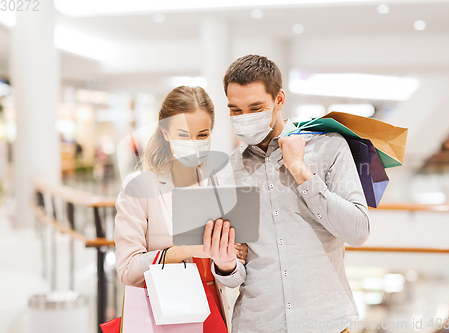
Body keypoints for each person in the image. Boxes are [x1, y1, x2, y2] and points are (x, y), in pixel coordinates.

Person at [202, 55, 371, 333]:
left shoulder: (328, 148)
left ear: (279, 100)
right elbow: (233, 278)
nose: (245, 118)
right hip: (258, 324)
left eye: (255, 107)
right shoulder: (224, 174)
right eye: (235, 110)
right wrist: (224, 263)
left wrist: (301, 172)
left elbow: (358, 231)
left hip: (325, 322)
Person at [114, 86, 247, 332]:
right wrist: (183, 250)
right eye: (184, 135)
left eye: (202, 135)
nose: (194, 144)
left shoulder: (219, 184)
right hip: (164, 316)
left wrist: (226, 260)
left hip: (212, 314)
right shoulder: (140, 187)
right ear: (165, 132)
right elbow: (128, 271)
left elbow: (234, 275)